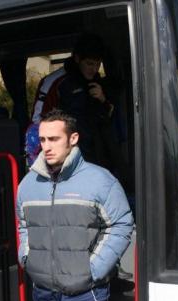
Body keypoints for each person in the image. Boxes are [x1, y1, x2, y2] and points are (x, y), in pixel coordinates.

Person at [16, 109, 134, 301]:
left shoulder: (99, 180)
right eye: (42, 139)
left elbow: (121, 225)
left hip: (86, 292)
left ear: (73, 138)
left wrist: (93, 269)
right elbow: (23, 226)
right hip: (44, 292)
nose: (47, 146)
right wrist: (27, 257)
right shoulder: (28, 185)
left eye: (54, 139)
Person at [25, 34, 129, 192]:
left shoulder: (98, 82)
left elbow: (109, 120)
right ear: (77, 59)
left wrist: (103, 99)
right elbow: (37, 124)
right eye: (89, 64)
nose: (94, 69)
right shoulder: (55, 82)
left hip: (99, 158)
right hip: (68, 162)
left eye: (98, 64)